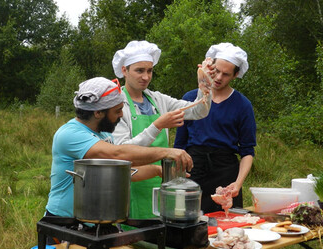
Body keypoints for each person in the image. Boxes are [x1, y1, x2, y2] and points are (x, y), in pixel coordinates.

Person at [45, 77, 194, 221]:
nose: (121, 115)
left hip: (93, 220)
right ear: (98, 113)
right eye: (117, 111)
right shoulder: (70, 134)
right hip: (64, 221)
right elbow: (118, 155)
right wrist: (166, 152)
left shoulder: (104, 134)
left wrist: (158, 171)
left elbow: (122, 171)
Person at [111, 40, 213, 219]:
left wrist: (205, 86)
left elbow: (198, 111)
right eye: (139, 70)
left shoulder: (157, 100)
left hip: (161, 181)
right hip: (132, 182)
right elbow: (123, 151)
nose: (146, 77)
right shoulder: (117, 104)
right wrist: (158, 125)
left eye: (149, 71)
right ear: (124, 71)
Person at [173, 42, 257, 214]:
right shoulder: (190, 98)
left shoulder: (242, 105)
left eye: (226, 74)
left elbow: (247, 151)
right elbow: (179, 145)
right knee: (189, 221)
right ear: (209, 67)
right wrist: (176, 178)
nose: (218, 78)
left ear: (235, 75)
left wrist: (238, 183)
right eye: (216, 71)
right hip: (192, 169)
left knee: (226, 226)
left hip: (226, 173)